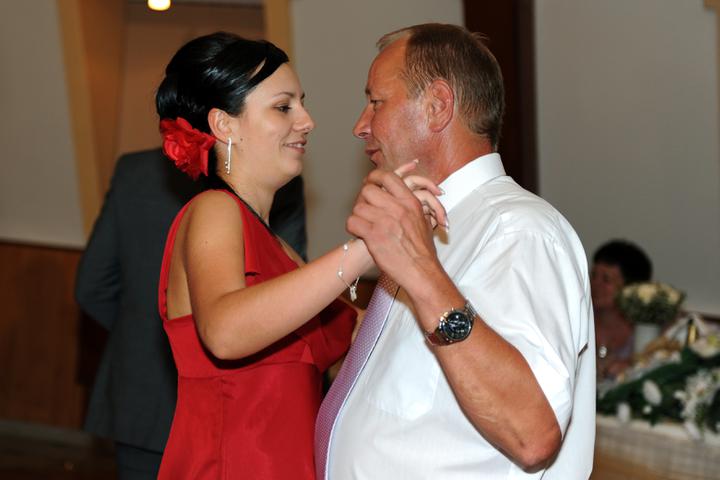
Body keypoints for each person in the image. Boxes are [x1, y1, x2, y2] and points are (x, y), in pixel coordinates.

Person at [153, 32, 444, 479]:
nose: (307, 121)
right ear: (224, 125)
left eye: (301, 104)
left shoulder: (280, 250)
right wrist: (369, 245)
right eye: (283, 107)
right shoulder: (214, 209)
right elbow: (225, 332)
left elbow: (368, 334)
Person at [315, 23, 595, 479]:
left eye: (376, 102)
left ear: (438, 105)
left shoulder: (519, 231)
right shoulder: (425, 227)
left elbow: (532, 434)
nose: (360, 126)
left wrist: (421, 274)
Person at [74, 147, 308, 479]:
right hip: (243, 409)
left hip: (142, 396)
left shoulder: (134, 169)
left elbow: (92, 286)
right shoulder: (275, 175)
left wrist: (167, 339)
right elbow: (290, 295)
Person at [591, 239, 652, 379]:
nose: (594, 284)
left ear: (630, 289)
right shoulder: (577, 320)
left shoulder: (644, 331)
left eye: (606, 279)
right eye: (593, 275)